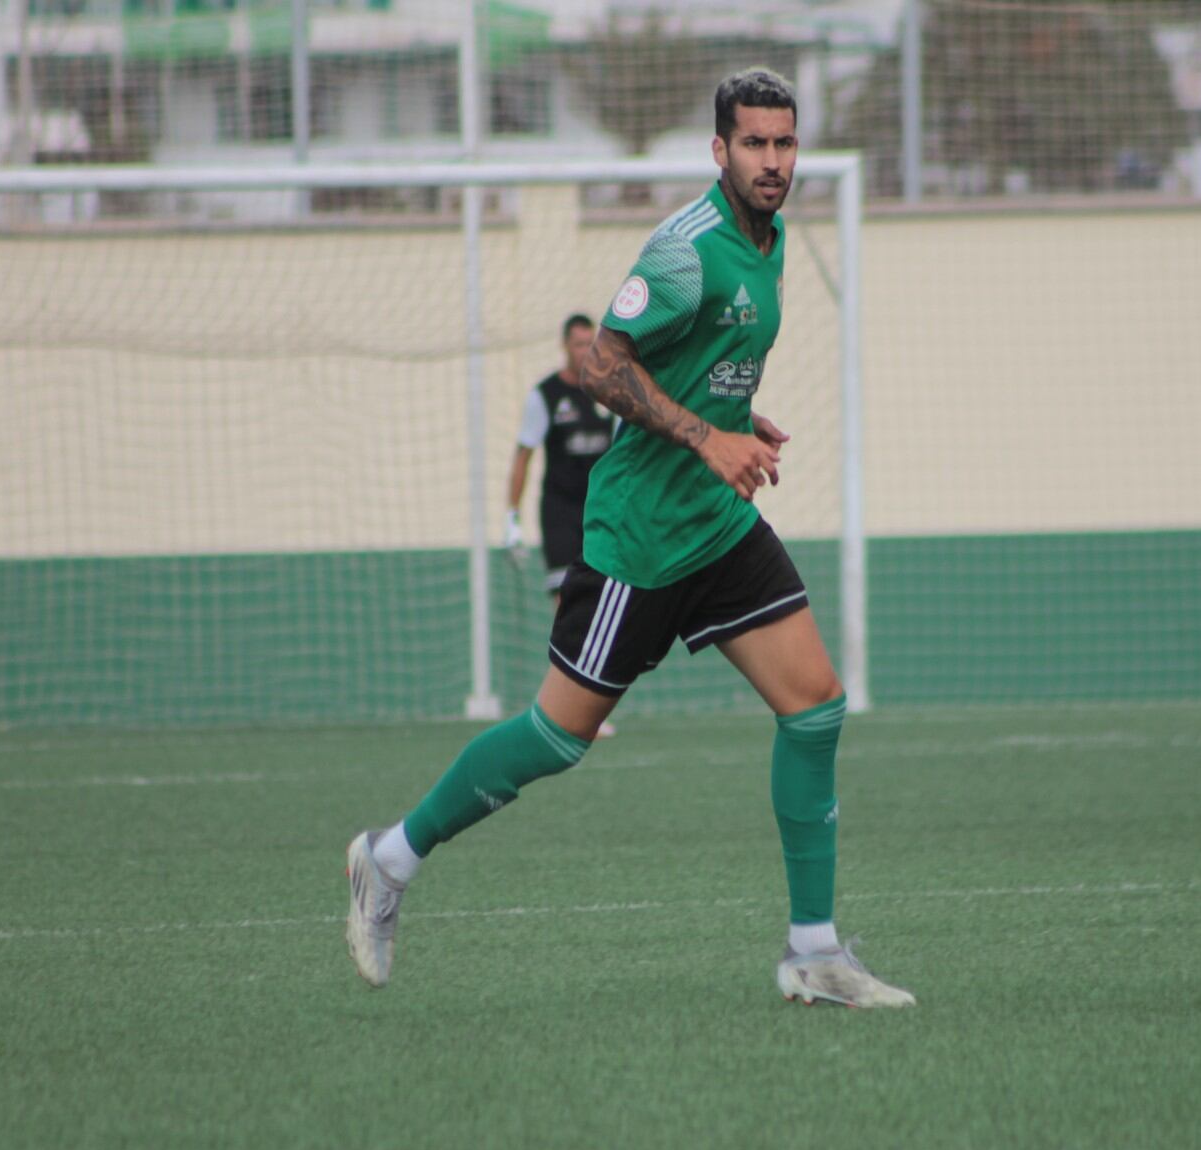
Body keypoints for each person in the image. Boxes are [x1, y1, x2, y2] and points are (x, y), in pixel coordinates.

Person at [345, 67, 914, 1009]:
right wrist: (702, 434)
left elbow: (698, 364)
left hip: (719, 523)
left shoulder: (766, 240)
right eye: (755, 144)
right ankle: (389, 859)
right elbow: (601, 363)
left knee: (814, 706)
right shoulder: (685, 249)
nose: (773, 161)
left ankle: (812, 953)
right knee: (557, 739)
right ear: (719, 149)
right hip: (641, 539)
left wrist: (737, 414)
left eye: (785, 143)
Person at [504, 313, 618, 736]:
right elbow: (523, 455)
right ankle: (567, 706)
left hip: (602, 514)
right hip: (559, 512)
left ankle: (590, 705)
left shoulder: (612, 392)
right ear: (564, 347)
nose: (585, 351)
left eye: (592, 344)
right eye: (578, 344)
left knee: (600, 605)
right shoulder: (545, 397)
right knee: (567, 605)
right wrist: (510, 519)